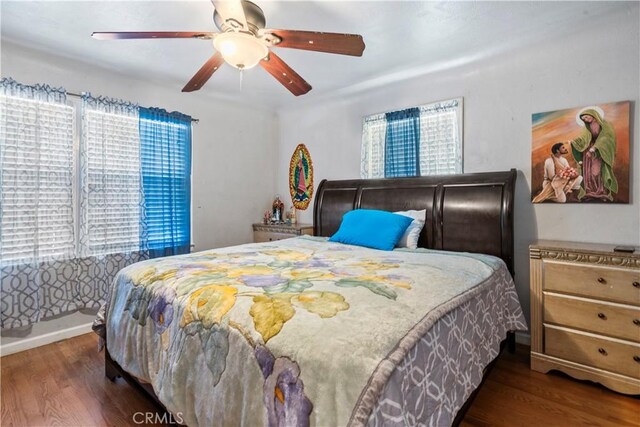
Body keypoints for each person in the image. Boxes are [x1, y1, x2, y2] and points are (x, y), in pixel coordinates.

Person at [569, 109, 618, 201]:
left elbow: (606, 138)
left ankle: (600, 191)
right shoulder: (586, 127)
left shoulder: (605, 125)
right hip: (587, 152)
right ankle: (589, 191)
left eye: (587, 117)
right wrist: (574, 143)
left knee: (596, 172)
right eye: (583, 119)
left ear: (594, 115)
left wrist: (594, 148)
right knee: (587, 171)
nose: (585, 120)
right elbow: (583, 139)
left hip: (599, 151)